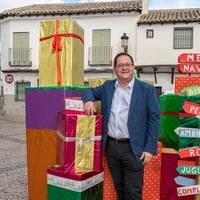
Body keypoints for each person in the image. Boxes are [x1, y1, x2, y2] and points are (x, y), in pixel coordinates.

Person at [82, 52, 160, 200]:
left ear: (133, 68)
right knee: (120, 189)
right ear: (114, 69)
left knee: (133, 193)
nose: (124, 68)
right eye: (120, 65)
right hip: (112, 147)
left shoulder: (146, 90)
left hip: (134, 148)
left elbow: (154, 119)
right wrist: (89, 101)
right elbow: (89, 90)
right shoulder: (107, 87)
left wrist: (149, 148)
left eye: (128, 64)